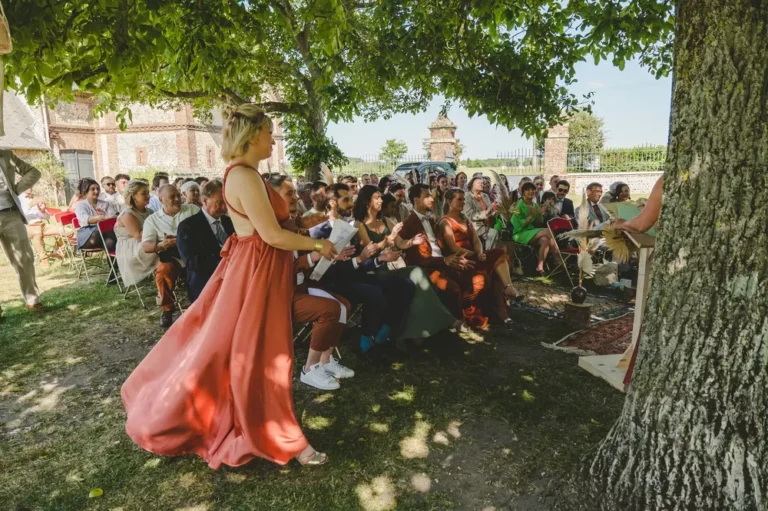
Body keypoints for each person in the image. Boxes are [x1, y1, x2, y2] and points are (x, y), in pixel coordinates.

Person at [122, 103, 338, 470]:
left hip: (262, 269)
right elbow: (269, 234)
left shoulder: (248, 174)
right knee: (263, 356)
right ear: (253, 135)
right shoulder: (243, 176)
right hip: (257, 273)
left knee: (255, 354)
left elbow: (270, 227)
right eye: (269, 133)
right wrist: (318, 245)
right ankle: (280, 435)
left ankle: (262, 423)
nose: (273, 140)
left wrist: (302, 227)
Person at [270, 176, 356, 389]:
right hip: (280, 294)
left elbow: (307, 254)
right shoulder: (270, 227)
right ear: (272, 197)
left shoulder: (293, 221)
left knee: (344, 306)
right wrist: (315, 255)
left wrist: (332, 254)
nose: (296, 197)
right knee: (329, 309)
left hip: (300, 285)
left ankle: (325, 361)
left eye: (294, 192)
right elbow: (276, 268)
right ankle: (309, 369)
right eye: (289, 193)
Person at [309, 183, 407, 362]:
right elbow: (322, 271)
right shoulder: (319, 230)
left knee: (403, 284)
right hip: (330, 283)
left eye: (350, 198)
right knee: (373, 292)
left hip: (354, 276)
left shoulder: (349, 226)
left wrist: (379, 259)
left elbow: (360, 261)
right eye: (346, 199)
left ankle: (382, 337)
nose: (351, 203)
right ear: (332, 203)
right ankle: (366, 345)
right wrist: (360, 260)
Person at [354, 185, 460, 343]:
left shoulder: (386, 221)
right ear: (367, 201)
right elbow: (370, 250)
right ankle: (439, 322)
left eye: (380, 197)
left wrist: (413, 241)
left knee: (416, 274)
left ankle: (417, 333)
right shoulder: (359, 224)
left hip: (391, 267)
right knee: (416, 276)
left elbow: (401, 243)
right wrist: (388, 239)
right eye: (376, 197)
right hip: (373, 270)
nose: (381, 200)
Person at [397, 184, 483, 327]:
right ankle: (456, 322)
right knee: (454, 288)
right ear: (417, 200)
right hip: (429, 268)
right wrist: (445, 260)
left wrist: (453, 258)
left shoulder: (429, 219)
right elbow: (418, 258)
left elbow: (440, 246)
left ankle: (467, 314)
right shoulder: (410, 223)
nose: (432, 199)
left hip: (444, 261)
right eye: (427, 196)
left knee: (477, 276)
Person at [439, 188, 522, 327]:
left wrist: (479, 252)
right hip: (462, 261)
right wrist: (472, 254)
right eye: (459, 199)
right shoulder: (445, 222)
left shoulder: (465, 218)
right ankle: (503, 303)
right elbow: (453, 248)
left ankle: (507, 291)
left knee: (499, 254)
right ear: (449, 201)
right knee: (496, 261)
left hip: (474, 256)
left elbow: (476, 240)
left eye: (463, 199)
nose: (463, 202)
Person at [140, 184, 199, 327]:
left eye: (178, 195)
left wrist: (185, 238)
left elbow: (205, 232)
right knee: (163, 271)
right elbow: (146, 246)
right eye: (172, 197)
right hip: (173, 257)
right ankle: (167, 309)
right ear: (161, 199)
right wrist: (161, 245)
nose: (178, 199)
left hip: (194, 253)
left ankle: (203, 304)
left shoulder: (192, 210)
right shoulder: (152, 220)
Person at [0, 150, 46, 319]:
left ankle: (32, 300)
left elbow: (34, 172)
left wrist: (15, 189)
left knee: (25, 258)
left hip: (11, 213)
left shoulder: (6, 155)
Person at [177, 180, 234, 303]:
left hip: (232, 279)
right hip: (205, 283)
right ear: (204, 200)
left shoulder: (229, 222)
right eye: (219, 203)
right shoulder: (188, 226)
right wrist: (225, 262)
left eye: (226, 203)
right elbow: (192, 262)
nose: (224, 208)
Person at [115, 180, 158, 288]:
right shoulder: (127, 214)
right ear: (133, 196)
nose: (148, 196)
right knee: (163, 250)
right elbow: (139, 236)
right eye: (144, 193)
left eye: (148, 193)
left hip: (146, 242)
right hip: (131, 248)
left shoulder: (149, 212)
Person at [511, 182, 558, 274]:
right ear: (523, 192)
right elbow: (517, 224)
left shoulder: (535, 205)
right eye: (527, 190)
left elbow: (538, 224)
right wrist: (531, 216)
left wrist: (540, 214)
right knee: (548, 231)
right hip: (519, 233)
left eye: (532, 189)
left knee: (545, 240)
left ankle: (539, 267)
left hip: (531, 232)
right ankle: (557, 257)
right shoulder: (517, 206)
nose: (531, 191)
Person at [19, 189, 62, 265]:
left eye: (31, 186)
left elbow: (47, 217)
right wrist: (29, 205)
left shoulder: (35, 198)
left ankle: (56, 251)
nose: (30, 188)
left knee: (66, 231)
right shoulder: (18, 199)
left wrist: (42, 211)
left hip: (42, 225)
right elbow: (20, 215)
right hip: (29, 226)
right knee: (37, 233)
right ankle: (44, 259)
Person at [464, 176, 499, 250]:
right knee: (493, 233)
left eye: (483, 183)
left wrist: (495, 211)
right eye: (479, 183)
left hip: (488, 224)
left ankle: (490, 253)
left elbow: (490, 211)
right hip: (475, 226)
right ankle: (488, 254)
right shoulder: (467, 197)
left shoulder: (485, 196)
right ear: (472, 185)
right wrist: (486, 213)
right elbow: (469, 215)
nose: (482, 184)